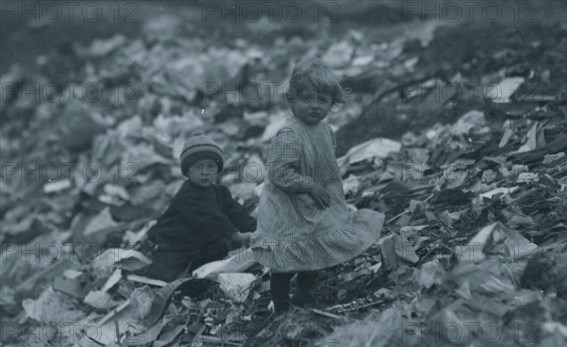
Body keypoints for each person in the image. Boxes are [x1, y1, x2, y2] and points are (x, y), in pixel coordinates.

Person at [250, 57, 384, 313]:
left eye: (323, 101)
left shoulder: (325, 130)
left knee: (314, 254)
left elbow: (325, 160)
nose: (315, 106)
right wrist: (309, 185)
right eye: (307, 99)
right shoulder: (290, 134)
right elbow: (279, 172)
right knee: (285, 262)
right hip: (288, 209)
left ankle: (303, 296)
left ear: (332, 104)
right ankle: (280, 306)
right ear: (292, 100)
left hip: (314, 205)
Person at [135, 134, 256, 282]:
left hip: (199, 242)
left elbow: (237, 214)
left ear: (217, 170)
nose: (205, 172)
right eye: (198, 167)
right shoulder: (188, 194)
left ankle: (197, 270)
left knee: (221, 246)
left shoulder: (220, 192)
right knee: (163, 276)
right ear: (188, 172)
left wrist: (258, 229)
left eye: (210, 166)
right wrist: (237, 235)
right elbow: (210, 218)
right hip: (173, 243)